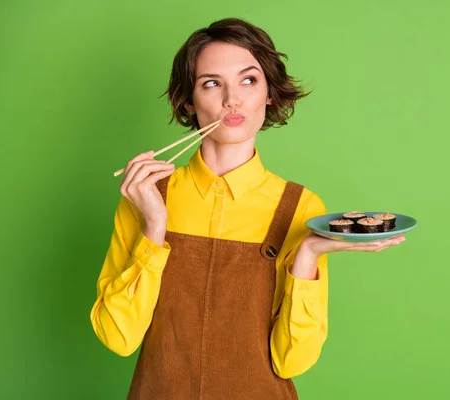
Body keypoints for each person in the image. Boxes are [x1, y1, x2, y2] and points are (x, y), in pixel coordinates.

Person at [90, 17, 406, 399]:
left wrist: (306, 254)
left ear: (269, 92)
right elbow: (118, 336)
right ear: (189, 100)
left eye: (248, 80)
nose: (232, 100)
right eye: (211, 83)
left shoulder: (299, 206)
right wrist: (154, 226)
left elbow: (292, 362)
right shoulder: (146, 197)